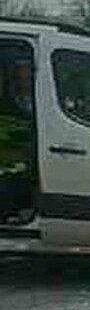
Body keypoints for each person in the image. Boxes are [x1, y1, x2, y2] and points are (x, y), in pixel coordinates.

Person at [0, 54, 35, 223]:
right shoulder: (9, 103)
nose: (25, 76)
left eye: (28, 71)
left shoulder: (35, 98)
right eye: (21, 71)